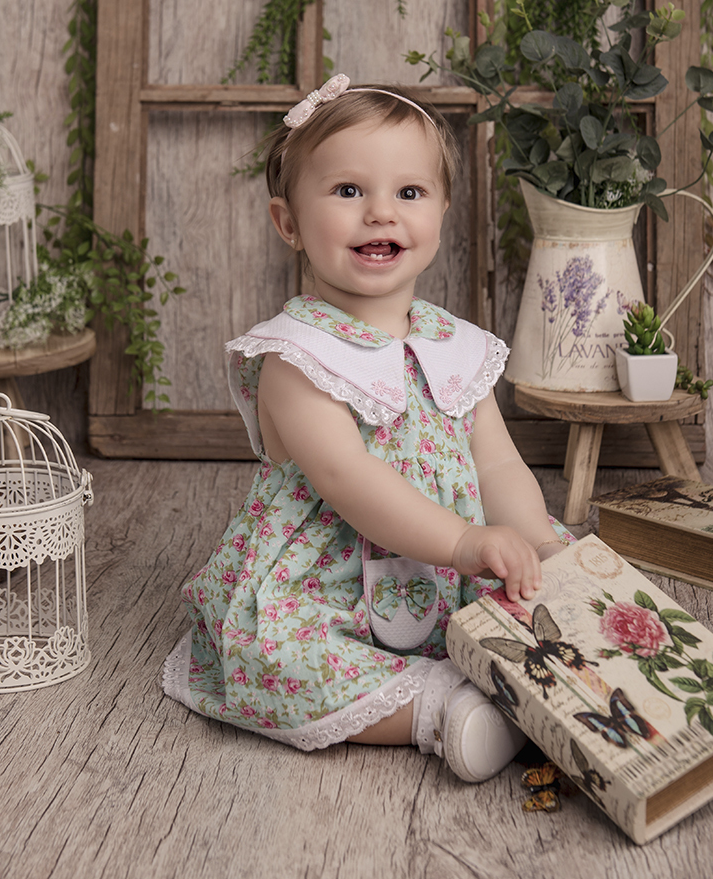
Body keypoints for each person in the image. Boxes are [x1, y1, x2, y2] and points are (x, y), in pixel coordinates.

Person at [163, 74, 572, 781]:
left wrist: (530, 541)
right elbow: (349, 481)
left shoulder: (455, 343)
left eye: (409, 194)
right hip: (331, 581)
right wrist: (465, 541)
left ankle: (550, 687)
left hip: (453, 567)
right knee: (280, 662)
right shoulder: (295, 357)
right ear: (288, 222)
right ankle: (438, 710)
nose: (380, 212)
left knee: (549, 588)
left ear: (442, 212)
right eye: (348, 191)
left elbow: (496, 464)